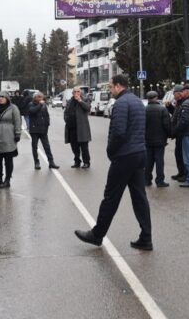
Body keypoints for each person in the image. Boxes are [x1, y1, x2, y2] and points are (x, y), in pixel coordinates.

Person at [74, 74, 152, 251]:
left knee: (110, 197)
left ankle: (97, 234)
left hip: (124, 156)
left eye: (110, 87)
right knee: (140, 197)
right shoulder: (138, 102)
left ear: (118, 86)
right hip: (140, 153)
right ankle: (146, 237)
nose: (110, 91)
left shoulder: (121, 104)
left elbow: (118, 132)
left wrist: (110, 151)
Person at [0, 92, 21, 189]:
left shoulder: (13, 108)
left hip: (8, 137)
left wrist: (17, 133)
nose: (1, 99)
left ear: (7, 98)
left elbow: (17, 121)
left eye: (3, 97)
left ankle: (7, 180)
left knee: (8, 160)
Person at [144, 91, 171, 188]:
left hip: (147, 141)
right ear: (156, 98)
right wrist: (170, 135)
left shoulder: (144, 110)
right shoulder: (163, 110)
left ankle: (146, 180)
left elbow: (140, 125)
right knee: (159, 161)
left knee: (148, 161)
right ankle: (160, 181)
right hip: (160, 140)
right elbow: (167, 125)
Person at [26, 92, 59, 170]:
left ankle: (51, 162)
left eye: (41, 97)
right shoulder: (31, 104)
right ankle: (36, 162)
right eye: (39, 97)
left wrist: (47, 124)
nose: (41, 98)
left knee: (47, 146)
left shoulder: (44, 105)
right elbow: (32, 111)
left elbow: (46, 115)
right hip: (34, 130)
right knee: (34, 147)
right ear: (34, 98)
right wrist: (40, 104)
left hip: (43, 129)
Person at [64, 87, 92, 168]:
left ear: (80, 93)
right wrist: (66, 119)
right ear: (72, 93)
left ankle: (86, 162)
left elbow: (88, 108)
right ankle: (77, 162)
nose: (76, 93)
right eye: (75, 92)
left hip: (82, 128)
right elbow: (65, 112)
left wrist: (80, 100)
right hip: (72, 128)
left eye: (78, 91)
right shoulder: (69, 101)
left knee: (84, 147)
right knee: (74, 147)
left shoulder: (85, 99)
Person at [168, 87, 188, 182]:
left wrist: (174, 131)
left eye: (174, 93)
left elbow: (182, 120)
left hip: (182, 133)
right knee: (178, 154)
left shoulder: (184, 103)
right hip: (178, 134)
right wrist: (169, 107)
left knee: (182, 154)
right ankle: (180, 172)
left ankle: (185, 174)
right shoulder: (178, 103)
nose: (173, 95)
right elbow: (176, 114)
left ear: (179, 93)